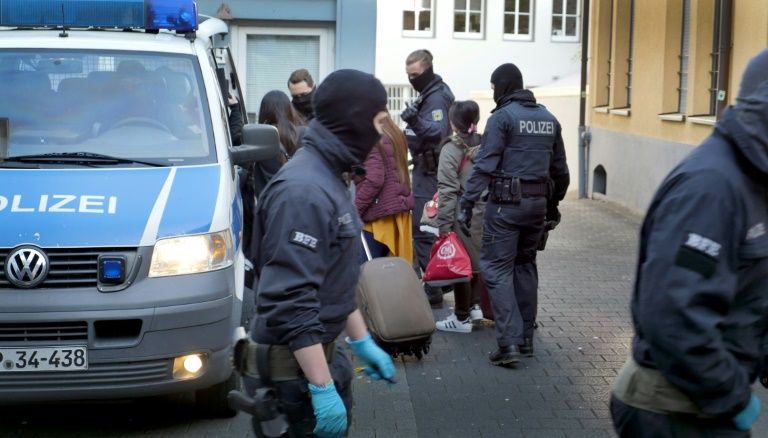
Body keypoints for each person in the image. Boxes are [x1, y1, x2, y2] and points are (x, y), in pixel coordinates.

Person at [609, 49, 768, 437]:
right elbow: (673, 318)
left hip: (704, 405)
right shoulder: (712, 188)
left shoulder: (753, 179)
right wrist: (735, 398)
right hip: (675, 412)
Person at [246, 69, 396, 438]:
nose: (381, 133)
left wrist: (361, 341)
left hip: (321, 360)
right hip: (296, 380)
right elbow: (290, 298)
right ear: (354, 121)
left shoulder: (332, 176)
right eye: (378, 121)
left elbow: (332, 279)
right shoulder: (304, 191)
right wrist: (321, 388)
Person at [459, 63, 569, 366]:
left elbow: (485, 165)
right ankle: (526, 341)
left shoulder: (502, 119)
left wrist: (466, 203)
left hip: (505, 207)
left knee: (496, 269)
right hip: (536, 208)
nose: (494, 92)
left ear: (504, 86)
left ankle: (508, 343)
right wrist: (553, 205)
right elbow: (560, 171)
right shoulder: (549, 118)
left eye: (495, 87)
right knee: (525, 266)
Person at [399, 49, 454, 307]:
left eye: (416, 75)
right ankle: (437, 283)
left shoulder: (437, 97)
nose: (412, 80)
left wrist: (415, 122)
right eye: (409, 75)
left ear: (429, 69)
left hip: (430, 172)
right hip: (424, 168)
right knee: (427, 228)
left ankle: (433, 288)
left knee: (423, 230)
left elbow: (437, 131)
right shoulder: (428, 95)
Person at [433, 100, 486, 333]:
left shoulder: (451, 148)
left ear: (454, 122)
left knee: (459, 263)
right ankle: (475, 308)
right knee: (476, 261)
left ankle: (461, 318)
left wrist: (443, 225)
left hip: (461, 213)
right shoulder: (487, 143)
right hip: (486, 211)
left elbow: (447, 189)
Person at [354, 114, 415, 263]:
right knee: (390, 273)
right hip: (396, 212)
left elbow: (374, 179)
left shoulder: (371, 136)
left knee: (367, 275)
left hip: (377, 218)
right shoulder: (394, 132)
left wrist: (354, 210)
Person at [252, 90, 306, 196]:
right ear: (289, 109)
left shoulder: (261, 138)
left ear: (264, 111)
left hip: (272, 205)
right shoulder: (305, 133)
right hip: (302, 200)